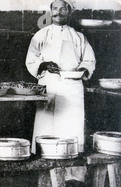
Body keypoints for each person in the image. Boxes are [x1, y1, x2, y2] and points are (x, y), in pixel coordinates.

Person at [26, 0, 96, 154]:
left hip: (72, 86)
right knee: (46, 125)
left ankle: (72, 172)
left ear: (69, 12)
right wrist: (44, 65)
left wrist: (83, 69)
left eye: (63, 9)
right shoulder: (41, 34)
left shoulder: (78, 37)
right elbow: (31, 59)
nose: (58, 12)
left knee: (71, 125)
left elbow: (89, 60)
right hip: (49, 84)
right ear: (51, 11)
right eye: (55, 8)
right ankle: (44, 164)